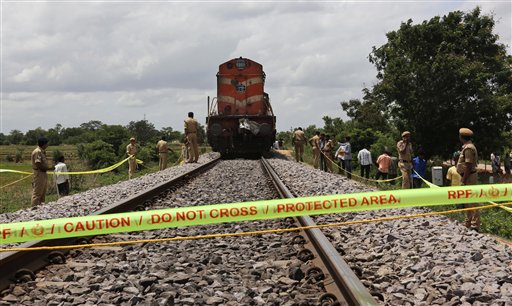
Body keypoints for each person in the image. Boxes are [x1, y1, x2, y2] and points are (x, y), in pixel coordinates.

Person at [456, 128, 480, 231]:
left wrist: (463, 180)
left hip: (469, 177)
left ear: (461, 137)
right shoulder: (466, 147)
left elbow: (468, 166)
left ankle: (475, 224)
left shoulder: (468, 148)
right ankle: (468, 222)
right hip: (468, 176)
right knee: (468, 200)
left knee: (472, 200)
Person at [31, 137, 51, 206]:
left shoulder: (42, 151)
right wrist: (48, 169)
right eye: (47, 144)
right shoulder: (38, 152)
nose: (47, 145)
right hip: (39, 173)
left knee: (43, 192)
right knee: (37, 193)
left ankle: (41, 208)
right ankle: (34, 208)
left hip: (43, 173)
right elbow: (38, 163)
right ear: (43, 144)